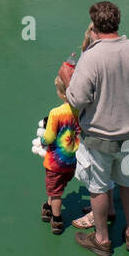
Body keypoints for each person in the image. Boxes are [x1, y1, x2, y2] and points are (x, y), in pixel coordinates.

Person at [65, 0, 129, 256]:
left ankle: (102, 239)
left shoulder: (91, 57)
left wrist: (68, 81)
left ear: (94, 26)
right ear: (117, 23)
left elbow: (77, 99)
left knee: (97, 188)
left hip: (99, 138)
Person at [37, 73, 81, 234]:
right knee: (57, 188)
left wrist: (42, 141)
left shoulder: (55, 113)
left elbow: (49, 137)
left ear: (62, 93)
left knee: (56, 193)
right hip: (72, 161)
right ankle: (48, 207)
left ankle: (56, 219)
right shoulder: (79, 111)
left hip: (56, 163)